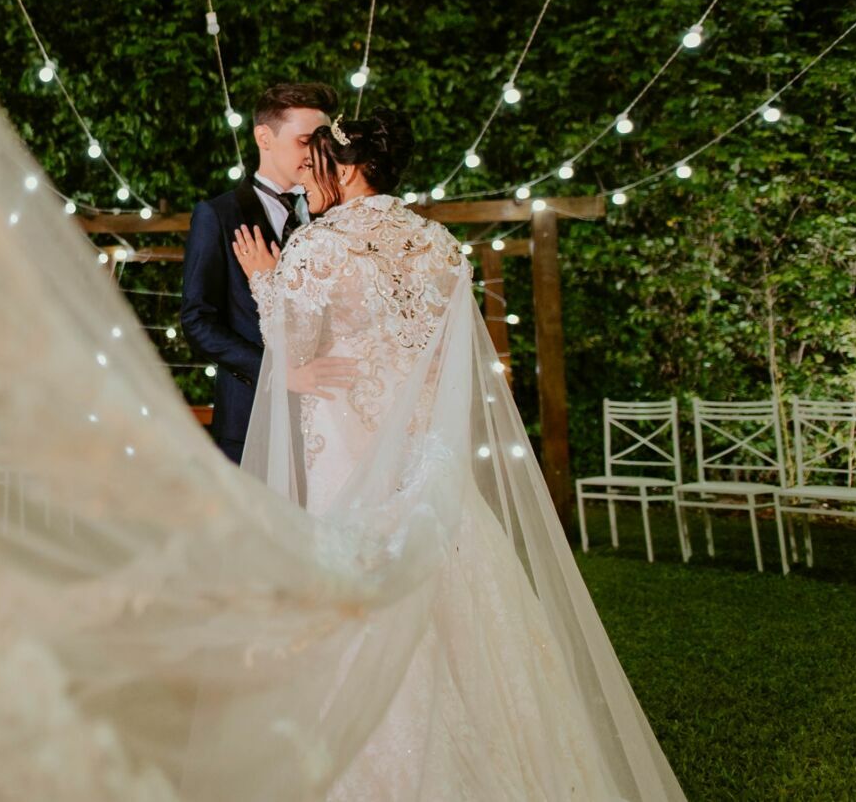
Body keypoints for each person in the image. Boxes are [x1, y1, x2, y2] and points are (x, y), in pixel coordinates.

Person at [231, 109, 685, 800]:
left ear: (347, 166)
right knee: (466, 614)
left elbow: (293, 347)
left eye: (317, 159)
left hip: (348, 461)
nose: (305, 174)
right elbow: (445, 363)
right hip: (424, 462)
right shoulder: (442, 247)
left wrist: (264, 279)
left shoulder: (318, 247)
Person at [180, 81, 355, 463]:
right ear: (264, 137)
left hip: (334, 421)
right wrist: (279, 372)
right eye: (305, 140)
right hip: (250, 420)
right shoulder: (219, 215)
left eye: (322, 144)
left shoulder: (337, 216)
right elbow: (197, 321)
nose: (314, 155)